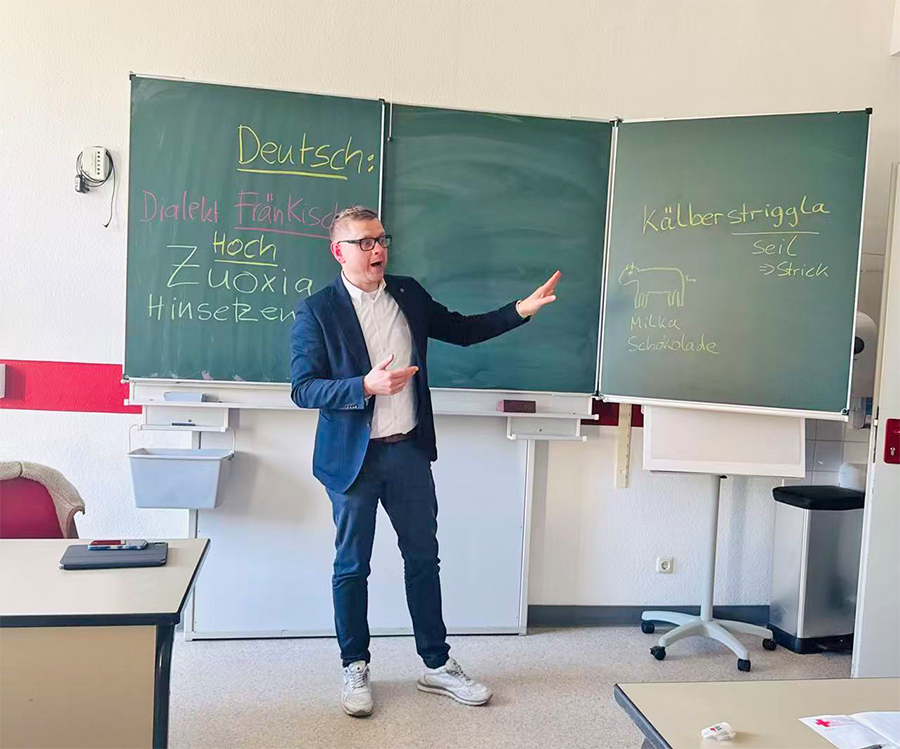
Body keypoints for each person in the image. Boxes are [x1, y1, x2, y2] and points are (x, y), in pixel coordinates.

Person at [290, 205, 560, 717]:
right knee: (352, 566)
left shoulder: (408, 294)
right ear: (338, 252)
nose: (377, 250)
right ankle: (354, 665)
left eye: (380, 239)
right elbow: (303, 388)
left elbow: (463, 329)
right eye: (364, 242)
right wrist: (363, 386)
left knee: (423, 560)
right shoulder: (317, 311)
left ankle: (436, 664)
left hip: (408, 452)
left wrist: (520, 310)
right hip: (352, 462)